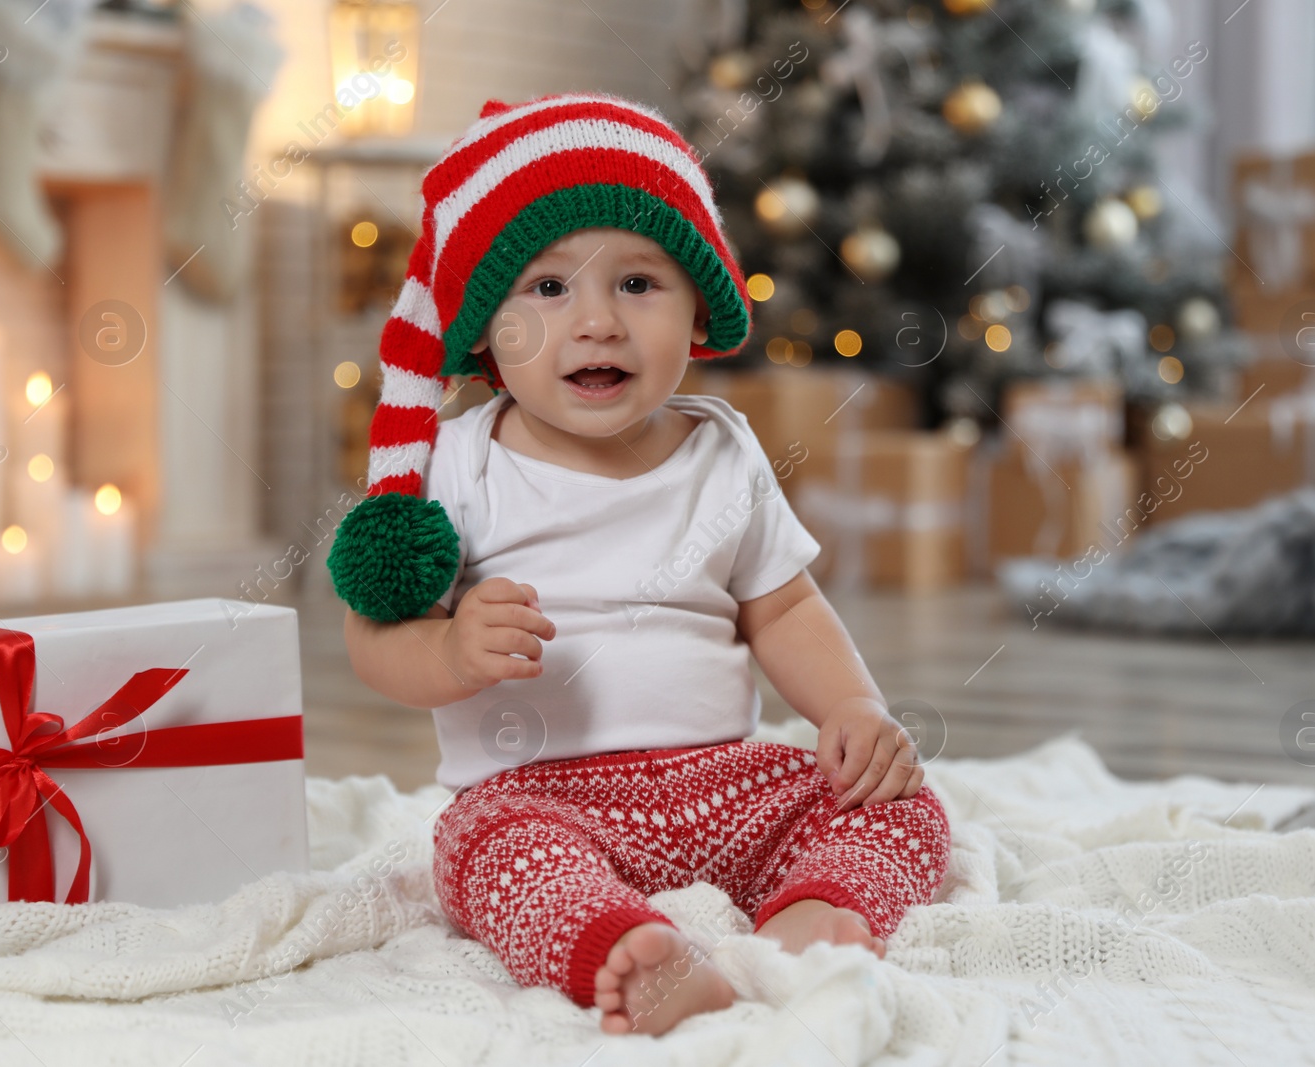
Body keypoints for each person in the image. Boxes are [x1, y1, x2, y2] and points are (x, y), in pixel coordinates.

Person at [330, 92, 951, 1036]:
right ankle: (622, 948)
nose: (596, 323)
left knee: (900, 804)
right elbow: (374, 636)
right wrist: (452, 652)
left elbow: (782, 610)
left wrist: (854, 712)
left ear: (698, 303)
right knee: (493, 857)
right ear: (486, 327)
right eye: (547, 289)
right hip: (539, 793)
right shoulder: (458, 464)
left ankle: (811, 914)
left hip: (724, 780)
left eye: (636, 283)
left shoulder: (722, 450)